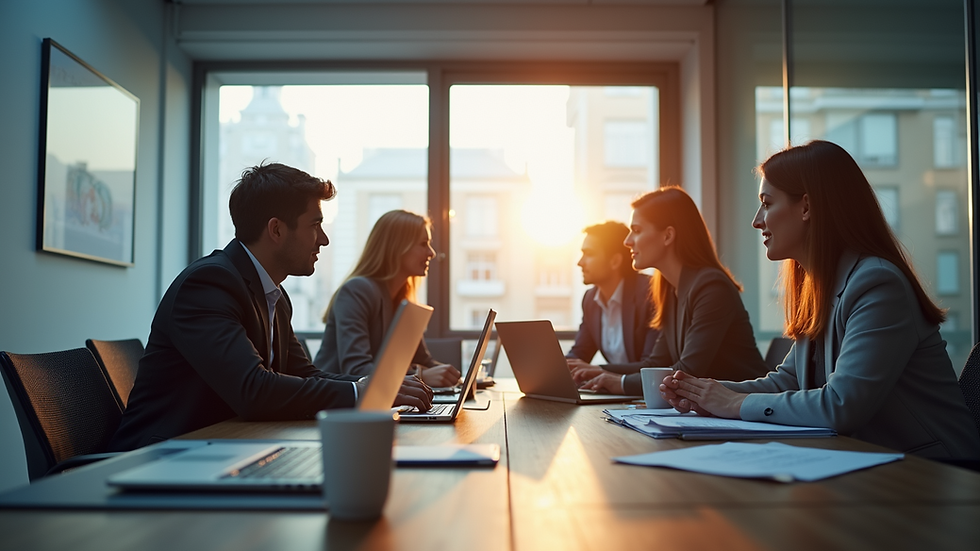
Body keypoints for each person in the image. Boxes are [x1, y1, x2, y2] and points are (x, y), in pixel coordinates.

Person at [662, 140, 980, 459]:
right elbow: (788, 381)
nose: (757, 220)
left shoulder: (878, 284)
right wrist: (706, 393)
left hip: (937, 475)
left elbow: (842, 404)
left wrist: (733, 403)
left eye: (767, 203)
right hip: (870, 465)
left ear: (805, 207)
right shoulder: (820, 285)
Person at [109, 164, 432, 451]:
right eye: (315, 225)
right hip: (159, 457)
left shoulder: (274, 295)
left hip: (225, 449)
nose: (324, 240)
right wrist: (359, 393)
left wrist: (375, 388)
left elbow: (305, 374)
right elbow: (253, 388)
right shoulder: (209, 284)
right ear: (276, 230)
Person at [577, 187, 769, 396]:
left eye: (638, 230)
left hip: (748, 412)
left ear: (668, 235)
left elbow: (687, 371)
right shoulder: (670, 289)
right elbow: (656, 363)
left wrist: (620, 382)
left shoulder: (711, 287)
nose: (627, 241)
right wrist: (597, 371)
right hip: (712, 413)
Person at [313, 210, 461, 387]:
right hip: (337, 405)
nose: (432, 253)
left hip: (379, 405)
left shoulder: (403, 302)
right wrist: (421, 376)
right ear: (397, 247)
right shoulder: (357, 291)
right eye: (423, 244)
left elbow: (424, 361)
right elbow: (356, 370)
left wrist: (457, 379)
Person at [565, 221, 659, 374]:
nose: (580, 263)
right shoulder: (591, 299)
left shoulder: (650, 293)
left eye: (589, 254)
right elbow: (580, 353)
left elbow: (652, 366)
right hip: (615, 394)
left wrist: (597, 371)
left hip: (644, 393)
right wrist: (552, 368)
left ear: (615, 261)